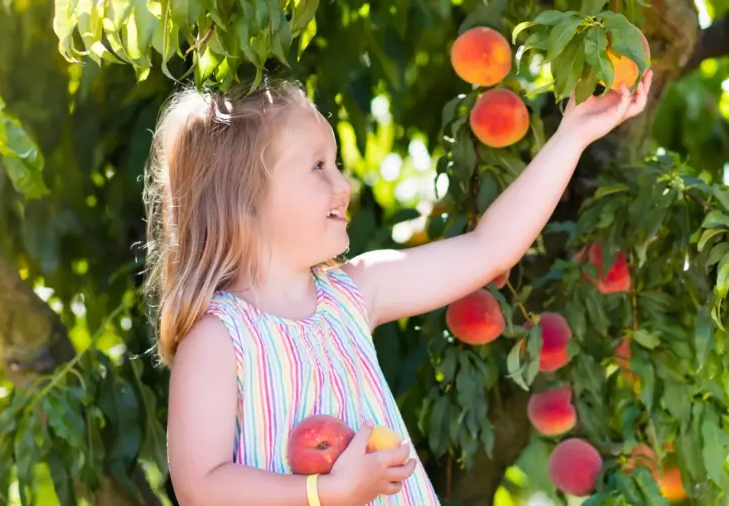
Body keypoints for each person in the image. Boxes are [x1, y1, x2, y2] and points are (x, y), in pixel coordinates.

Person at [143, 69, 653, 506]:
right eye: (318, 166)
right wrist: (324, 493)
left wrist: (573, 134)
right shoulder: (218, 339)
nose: (343, 184)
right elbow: (200, 487)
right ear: (244, 200)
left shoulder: (354, 293)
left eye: (336, 163)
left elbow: (489, 248)